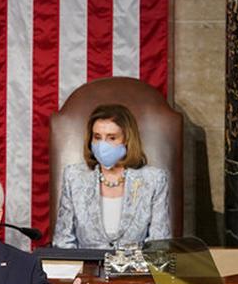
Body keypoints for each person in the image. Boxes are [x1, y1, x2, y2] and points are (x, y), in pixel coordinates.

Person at [52, 103, 170, 249]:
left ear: (127, 139)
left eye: (112, 138)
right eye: (97, 137)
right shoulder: (74, 177)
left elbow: (159, 244)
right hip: (86, 268)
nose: (103, 145)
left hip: (135, 269)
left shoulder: (154, 179)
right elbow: (63, 241)